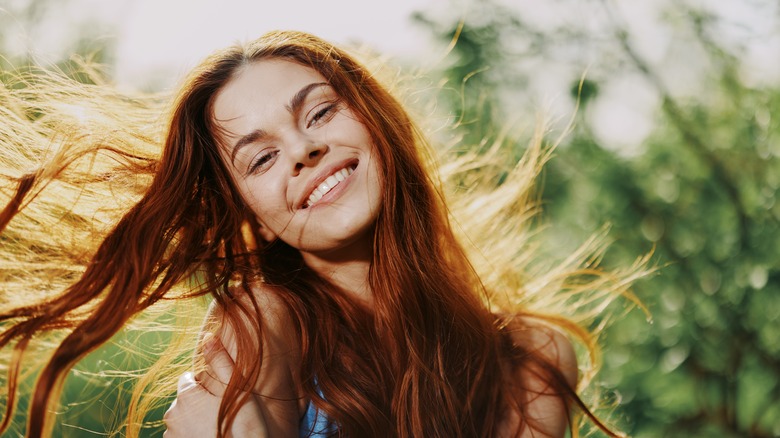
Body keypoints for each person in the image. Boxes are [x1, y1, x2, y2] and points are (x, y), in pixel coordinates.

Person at [0, 31, 638, 437]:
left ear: (375, 120)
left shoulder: (531, 360)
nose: (304, 149)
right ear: (249, 212)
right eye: (261, 158)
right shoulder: (263, 319)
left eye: (320, 111)